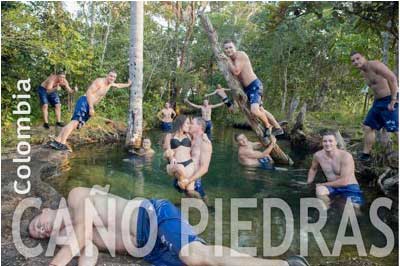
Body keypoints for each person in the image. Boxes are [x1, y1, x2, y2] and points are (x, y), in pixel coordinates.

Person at [29, 186, 309, 266]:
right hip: (150, 252)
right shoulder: (71, 239)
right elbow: (87, 251)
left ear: (46, 210)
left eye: (37, 225)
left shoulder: (76, 196)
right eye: (38, 235)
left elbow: (79, 234)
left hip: (154, 216)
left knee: (193, 255)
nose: (40, 231)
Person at [48, 70, 132, 151]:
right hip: (85, 102)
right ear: (107, 75)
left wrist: (128, 84)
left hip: (88, 105)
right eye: (110, 76)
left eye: (114, 77)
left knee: (74, 124)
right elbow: (89, 92)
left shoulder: (109, 84)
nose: (112, 78)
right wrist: (91, 107)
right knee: (74, 122)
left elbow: (118, 85)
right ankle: (62, 143)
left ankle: (57, 140)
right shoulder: (100, 82)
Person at [221, 39, 280, 138]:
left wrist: (227, 60)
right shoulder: (230, 60)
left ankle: (268, 126)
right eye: (226, 48)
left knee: (255, 110)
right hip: (246, 89)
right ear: (224, 50)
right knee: (261, 109)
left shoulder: (240, 55)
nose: (228, 50)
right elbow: (233, 78)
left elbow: (236, 71)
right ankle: (278, 128)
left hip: (254, 85)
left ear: (235, 47)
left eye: (230, 47)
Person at [350, 51, 398, 162]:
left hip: (390, 99)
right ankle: (366, 155)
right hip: (378, 102)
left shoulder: (375, 64)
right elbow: (376, 86)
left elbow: (393, 78)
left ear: (364, 57)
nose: (356, 62)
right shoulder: (363, 72)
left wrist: (394, 99)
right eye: (353, 61)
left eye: (357, 58)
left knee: (396, 129)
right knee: (368, 127)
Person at [307, 131, 363, 207]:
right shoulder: (318, 156)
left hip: (349, 187)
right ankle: (327, 210)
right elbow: (313, 169)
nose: (327, 144)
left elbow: (344, 181)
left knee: (354, 211)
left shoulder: (345, 156)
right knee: (320, 190)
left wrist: (322, 184)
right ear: (322, 143)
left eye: (330, 141)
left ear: (336, 142)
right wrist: (309, 183)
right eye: (325, 141)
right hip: (332, 187)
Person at [177, 117, 212, 203]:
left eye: (192, 123)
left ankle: (208, 208)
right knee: (188, 195)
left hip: (194, 177)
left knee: (196, 196)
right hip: (186, 174)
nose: (189, 125)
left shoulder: (205, 142)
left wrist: (189, 180)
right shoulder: (190, 137)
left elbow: (204, 168)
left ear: (199, 126)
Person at [164, 115, 201, 199]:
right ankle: (182, 185)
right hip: (176, 164)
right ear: (181, 123)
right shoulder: (169, 136)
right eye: (187, 123)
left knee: (190, 192)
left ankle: (203, 204)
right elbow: (167, 150)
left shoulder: (189, 135)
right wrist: (171, 158)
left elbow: (198, 138)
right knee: (180, 168)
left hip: (189, 164)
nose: (189, 125)